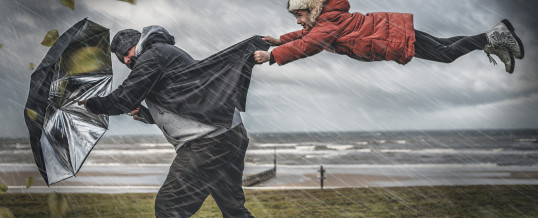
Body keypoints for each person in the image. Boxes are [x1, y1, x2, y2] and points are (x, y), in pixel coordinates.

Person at [78, 26, 256, 217]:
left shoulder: (153, 55)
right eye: (121, 59)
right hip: (229, 134)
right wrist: (147, 115)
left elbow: (124, 98)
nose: (126, 60)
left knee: (169, 207)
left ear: (137, 43)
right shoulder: (164, 54)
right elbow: (185, 103)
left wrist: (93, 104)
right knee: (233, 209)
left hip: (207, 142)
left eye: (126, 52)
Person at [253, 0, 525, 74]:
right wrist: (280, 39)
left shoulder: (325, 25)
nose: (300, 22)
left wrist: (273, 55)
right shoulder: (325, 20)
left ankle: (493, 37)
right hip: (392, 29)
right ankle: (491, 42)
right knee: (445, 44)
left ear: (312, 11)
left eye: (300, 16)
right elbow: (305, 35)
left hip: (392, 36)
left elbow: (309, 44)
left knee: (446, 55)